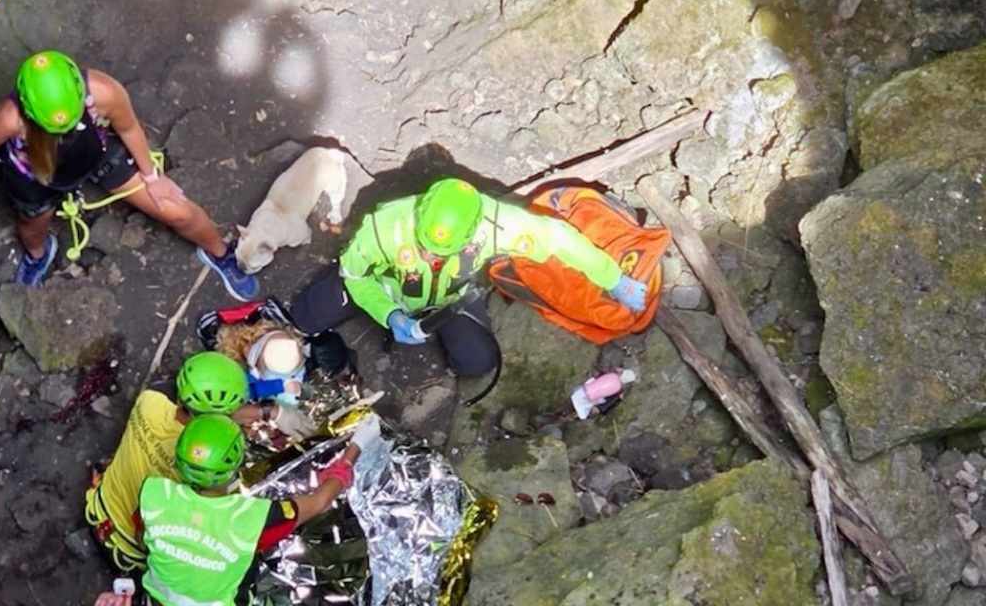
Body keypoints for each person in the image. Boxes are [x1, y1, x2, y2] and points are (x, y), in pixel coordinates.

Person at [0, 49, 257, 299]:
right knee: (31, 227)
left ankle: (220, 254)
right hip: (35, 174)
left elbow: (127, 127)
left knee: (178, 212)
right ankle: (38, 255)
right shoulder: (9, 119)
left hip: (95, 154)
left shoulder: (103, 92)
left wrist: (153, 177)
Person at [288, 178, 649, 376]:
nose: (430, 255)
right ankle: (315, 316)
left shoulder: (496, 223)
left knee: (477, 362)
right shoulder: (385, 226)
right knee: (305, 317)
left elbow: (560, 239)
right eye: (424, 245)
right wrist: (389, 313)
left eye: (441, 252)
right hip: (386, 287)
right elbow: (354, 274)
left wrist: (612, 278)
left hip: (449, 300)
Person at [92, 413, 381, 606]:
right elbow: (319, 501)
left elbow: (146, 539)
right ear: (236, 465)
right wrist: (356, 446)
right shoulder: (253, 519)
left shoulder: (154, 494)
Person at [85, 351, 315, 571]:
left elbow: (204, 415)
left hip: (98, 508)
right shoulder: (199, 469)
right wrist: (271, 413)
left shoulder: (149, 402)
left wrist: (268, 412)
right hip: (130, 554)